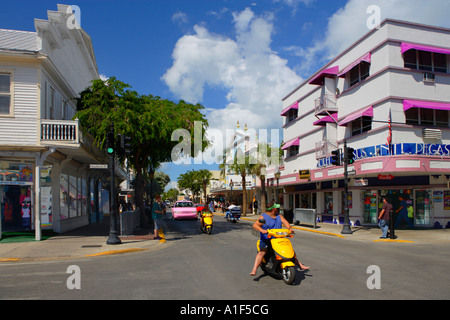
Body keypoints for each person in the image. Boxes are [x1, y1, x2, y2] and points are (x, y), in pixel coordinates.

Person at [250, 202, 309, 276]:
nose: (278, 209)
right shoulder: (263, 217)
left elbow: (285, 222)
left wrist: (289, 229)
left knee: (289, 251)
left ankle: (300, 265)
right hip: (267, 240)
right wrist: (262, 230)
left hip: (278, 239)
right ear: (274, 209)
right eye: (277, 208)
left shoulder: (279, 216)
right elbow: (255, 225)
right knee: (262, 253)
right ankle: (254, 269)